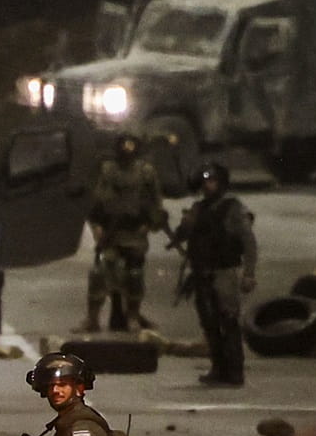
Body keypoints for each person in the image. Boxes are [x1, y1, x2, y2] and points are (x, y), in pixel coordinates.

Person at [174, 162, 257, 386]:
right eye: (205, 181)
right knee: (209, 323)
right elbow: (182, 235)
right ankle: (218, 368)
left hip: (225, 272)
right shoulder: (199, 209)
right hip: (202, 272)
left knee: (228, 320)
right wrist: (186, 225)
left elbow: (248, 241)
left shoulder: (232, 209)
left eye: (212, 181)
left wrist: (249, 273)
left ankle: (235, 371)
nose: (208, 186)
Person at [82, 133, 168, 334]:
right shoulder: (107, 171)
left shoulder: (146, 172)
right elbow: (95, 202)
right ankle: (92, 319)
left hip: (134, 232)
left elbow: (156, 202)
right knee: (99, 274)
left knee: (134, 275)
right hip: (111, 231)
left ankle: (133, 316)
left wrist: (149, 223)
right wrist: (96, 225)